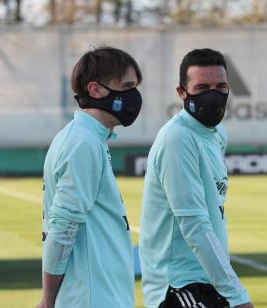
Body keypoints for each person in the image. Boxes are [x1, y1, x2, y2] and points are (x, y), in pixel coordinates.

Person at [139, 48, 254, 308]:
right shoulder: (177, 139)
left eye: (221, 86)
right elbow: (194, 224)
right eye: (202, 88)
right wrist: (238, 296)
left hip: (206, 281)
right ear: (182, 93)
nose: (213, 95)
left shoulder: (216, 134)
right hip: (179, 285)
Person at [38, 46, 143, 308]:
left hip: (98, 294)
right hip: (92, 297)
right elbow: (62, 227)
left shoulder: (87, 139)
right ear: (96, 90)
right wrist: (47, 300)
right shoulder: (83, 143)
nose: (135, 96)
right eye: (127, 86)